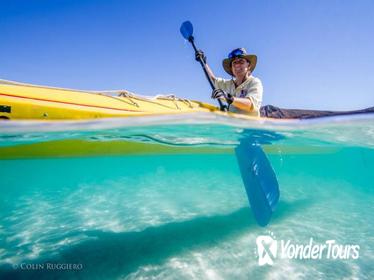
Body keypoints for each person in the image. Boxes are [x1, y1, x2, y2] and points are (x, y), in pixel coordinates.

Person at [196, 48, 263, 117]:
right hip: (232, 124)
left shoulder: (254, 82)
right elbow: (213, 80)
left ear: (248, 66)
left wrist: (230, 98)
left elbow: (251, 104)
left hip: (250, 125)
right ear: (231, 68)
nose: (237, 65)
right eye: (234, 63)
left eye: (241, 62)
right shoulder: (228, 84)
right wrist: (204, 62)